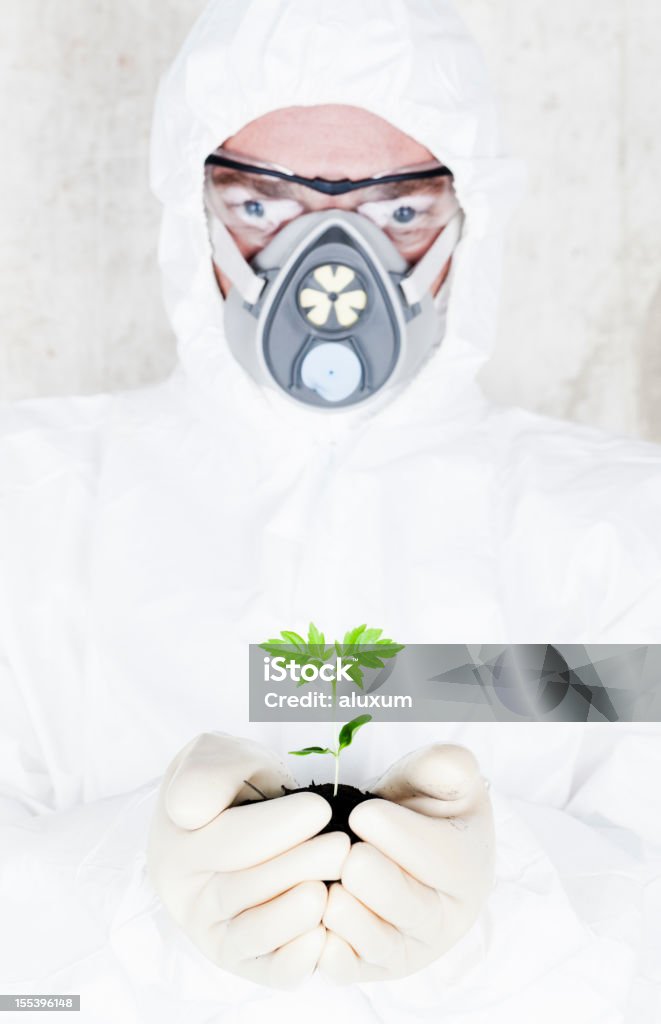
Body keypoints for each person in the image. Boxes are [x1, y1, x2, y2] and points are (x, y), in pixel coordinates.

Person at [0, 0, 659, 1017]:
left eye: (398, 213)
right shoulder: (32, 506)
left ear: (471, 213)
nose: (331, 269)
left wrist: (502, 896)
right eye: (264, 207)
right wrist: (133, 874)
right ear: (189, 211)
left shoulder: (617, 532)